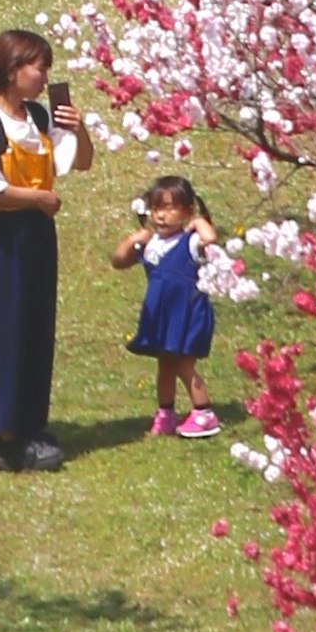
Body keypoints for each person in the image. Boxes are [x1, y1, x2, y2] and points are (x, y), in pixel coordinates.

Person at [0, 25, 65, 472]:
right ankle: (3, 435)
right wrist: (37, 198)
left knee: (35, 328)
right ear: (11, 68)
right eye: (36, 66)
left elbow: (72, 161)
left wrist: (80, 132)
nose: (43, 75)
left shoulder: (38, 117)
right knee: (0, 331)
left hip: (35, 237)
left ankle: (28, 423)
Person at [110, 170, 224, 436]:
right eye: (155, 209)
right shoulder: (152, 245)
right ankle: (166, 412)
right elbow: (118, 262)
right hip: (160, 314)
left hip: (187, 313)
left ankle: (204, 412)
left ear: (185, 211)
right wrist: (131, 241)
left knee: (184, 363)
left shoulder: (191, 242)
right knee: (165, 364)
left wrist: (198, 221)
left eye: (169, 209)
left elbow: (211, 239)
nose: (160, 215)